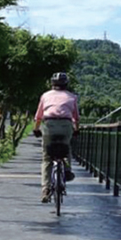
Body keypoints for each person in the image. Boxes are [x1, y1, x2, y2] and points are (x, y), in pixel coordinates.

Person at [33, 72, 80, 203]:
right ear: (66, 84)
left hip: (49, 125)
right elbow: (76, 118)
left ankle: (46, 189)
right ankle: (67, 170)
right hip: (65, 125)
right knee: (67, 148)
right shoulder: (72, 97)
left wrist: (36, 129)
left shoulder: (45, 95)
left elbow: (38, 116)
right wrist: (76, 130)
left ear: (52, 84)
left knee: (47, 157)